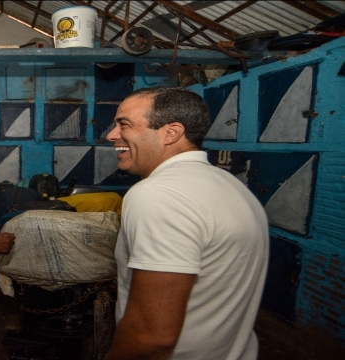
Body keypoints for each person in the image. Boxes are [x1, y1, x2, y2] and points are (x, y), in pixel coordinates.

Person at [104, 87, 269, 360]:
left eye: (124, 124)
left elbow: (152, 338)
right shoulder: (231, 186)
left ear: (171, 132)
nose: (111, 135)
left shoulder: (158, 194)